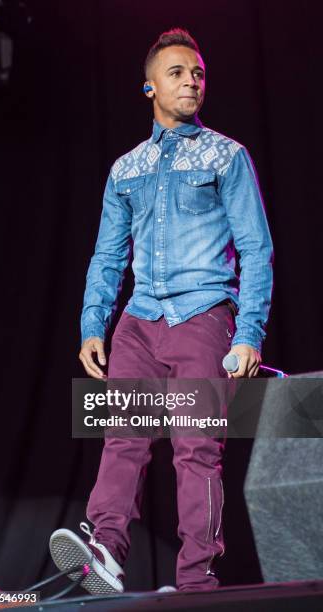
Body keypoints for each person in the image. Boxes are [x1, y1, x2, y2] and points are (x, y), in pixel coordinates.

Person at [49, 28, 273, 594]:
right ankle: (105, 549)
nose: (191, 82)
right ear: (149, 86)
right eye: (177, 73)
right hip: (138, 321)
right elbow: (106, 255)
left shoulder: (227, 155)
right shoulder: (126, 169)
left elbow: (256, 248)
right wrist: (91, 325)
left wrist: (247, 332)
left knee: (195, 449)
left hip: (202, 316)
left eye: (198, 73)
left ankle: (197, 579)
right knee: (123, 436)